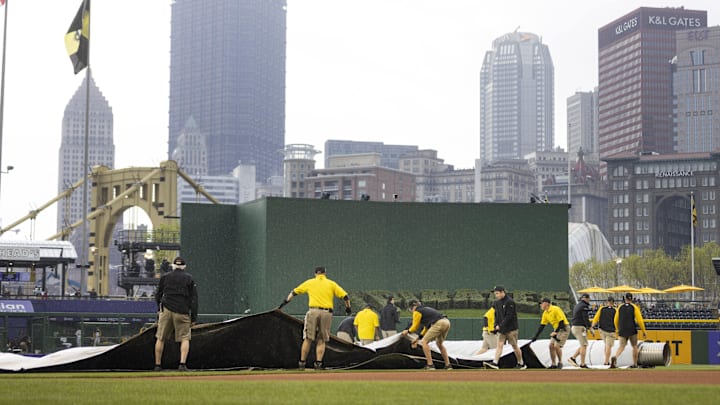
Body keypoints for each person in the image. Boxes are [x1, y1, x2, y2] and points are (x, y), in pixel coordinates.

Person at [281, 266, 351, 370]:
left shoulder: (310, 282)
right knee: (321, 340)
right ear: (325, 273)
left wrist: (284, 303)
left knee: (308, 338)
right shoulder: (331, 284)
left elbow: (294, 292)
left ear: (315, 274)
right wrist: (348, 308)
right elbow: (345, 296)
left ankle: (302, 363)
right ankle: (318, 364)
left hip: (313, 311)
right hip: (326, 312)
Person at [154, 256, 199, 372]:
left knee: (160, 338)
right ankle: (182, 364)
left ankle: (158, 365)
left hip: (166, 309)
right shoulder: (189, 278)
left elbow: (158, 294)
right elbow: (194, 299)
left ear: (173, 266)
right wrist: (193, 317)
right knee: (184, 338)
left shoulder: (165, 277)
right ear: (184, 267)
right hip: (182, 310)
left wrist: (159, 309)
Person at [401, 300, 452, 370]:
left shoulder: (417, 311)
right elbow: (426, 328)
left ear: (411, 307)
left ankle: (430, 365)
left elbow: (415, 326)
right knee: (439, 344)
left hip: (438, 323)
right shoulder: (425, 309)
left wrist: (407, 331)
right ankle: (448, 365)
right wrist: (418, 338)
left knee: (424, 342)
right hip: (446, 322)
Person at [484, 286, 526, 369]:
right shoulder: (496, 303)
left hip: (511, 329)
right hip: (502, 329)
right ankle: (495, 363)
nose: (496, 295)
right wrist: (496, 324)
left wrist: (500, 325)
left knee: (514, 346)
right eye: (495, 293)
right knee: (499, 345)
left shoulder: (510, 302)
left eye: (497, 293)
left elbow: (509, 316)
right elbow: (496, 315)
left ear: (503, 292)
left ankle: (521, 363)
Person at [531, 298, 570, 369]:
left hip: (564, 328)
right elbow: (542, 326)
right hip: (556, 329)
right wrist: (535, 337)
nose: (540, 305)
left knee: (556, 346)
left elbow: (561, 322)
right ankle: (553, 364)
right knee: (551, 346)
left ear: (547, 303)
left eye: (542, 303)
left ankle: (560, 362)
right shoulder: (545, 313)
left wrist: (555, 332)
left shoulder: (556, 309)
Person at [611, 292, 647, 369]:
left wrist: (617, 329)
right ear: (632, 299)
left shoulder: (620, 307)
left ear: (625, 298)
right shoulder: (634, 307)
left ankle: (615, 357)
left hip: (622, 329)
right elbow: (640, 320)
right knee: (634, 346)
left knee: (621, 347)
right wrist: (644, 331)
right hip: (632, 329)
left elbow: (615, 320)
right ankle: (635, 363)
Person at [591, 296, 617, 366]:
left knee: (606, 345)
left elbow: (596, 318)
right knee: (608, 346)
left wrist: (592, 326)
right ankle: (606, 361)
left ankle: (606, 360)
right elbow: (618, 321)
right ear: (613, 303)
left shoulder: (602, 309)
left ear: (607, 302)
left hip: (602, 330)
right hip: (610, 331)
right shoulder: (615, 310)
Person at [568, 293, 592, 368]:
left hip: (576, 327)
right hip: (579, 327)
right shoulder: (584, 306)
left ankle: (573, 358)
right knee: (584, 345)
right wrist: (590, 327)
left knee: (583, 344)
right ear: (586, 299)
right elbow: (585, 318)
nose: (589, 300)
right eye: (589, 299)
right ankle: (582, 363)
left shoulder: (578, 305)